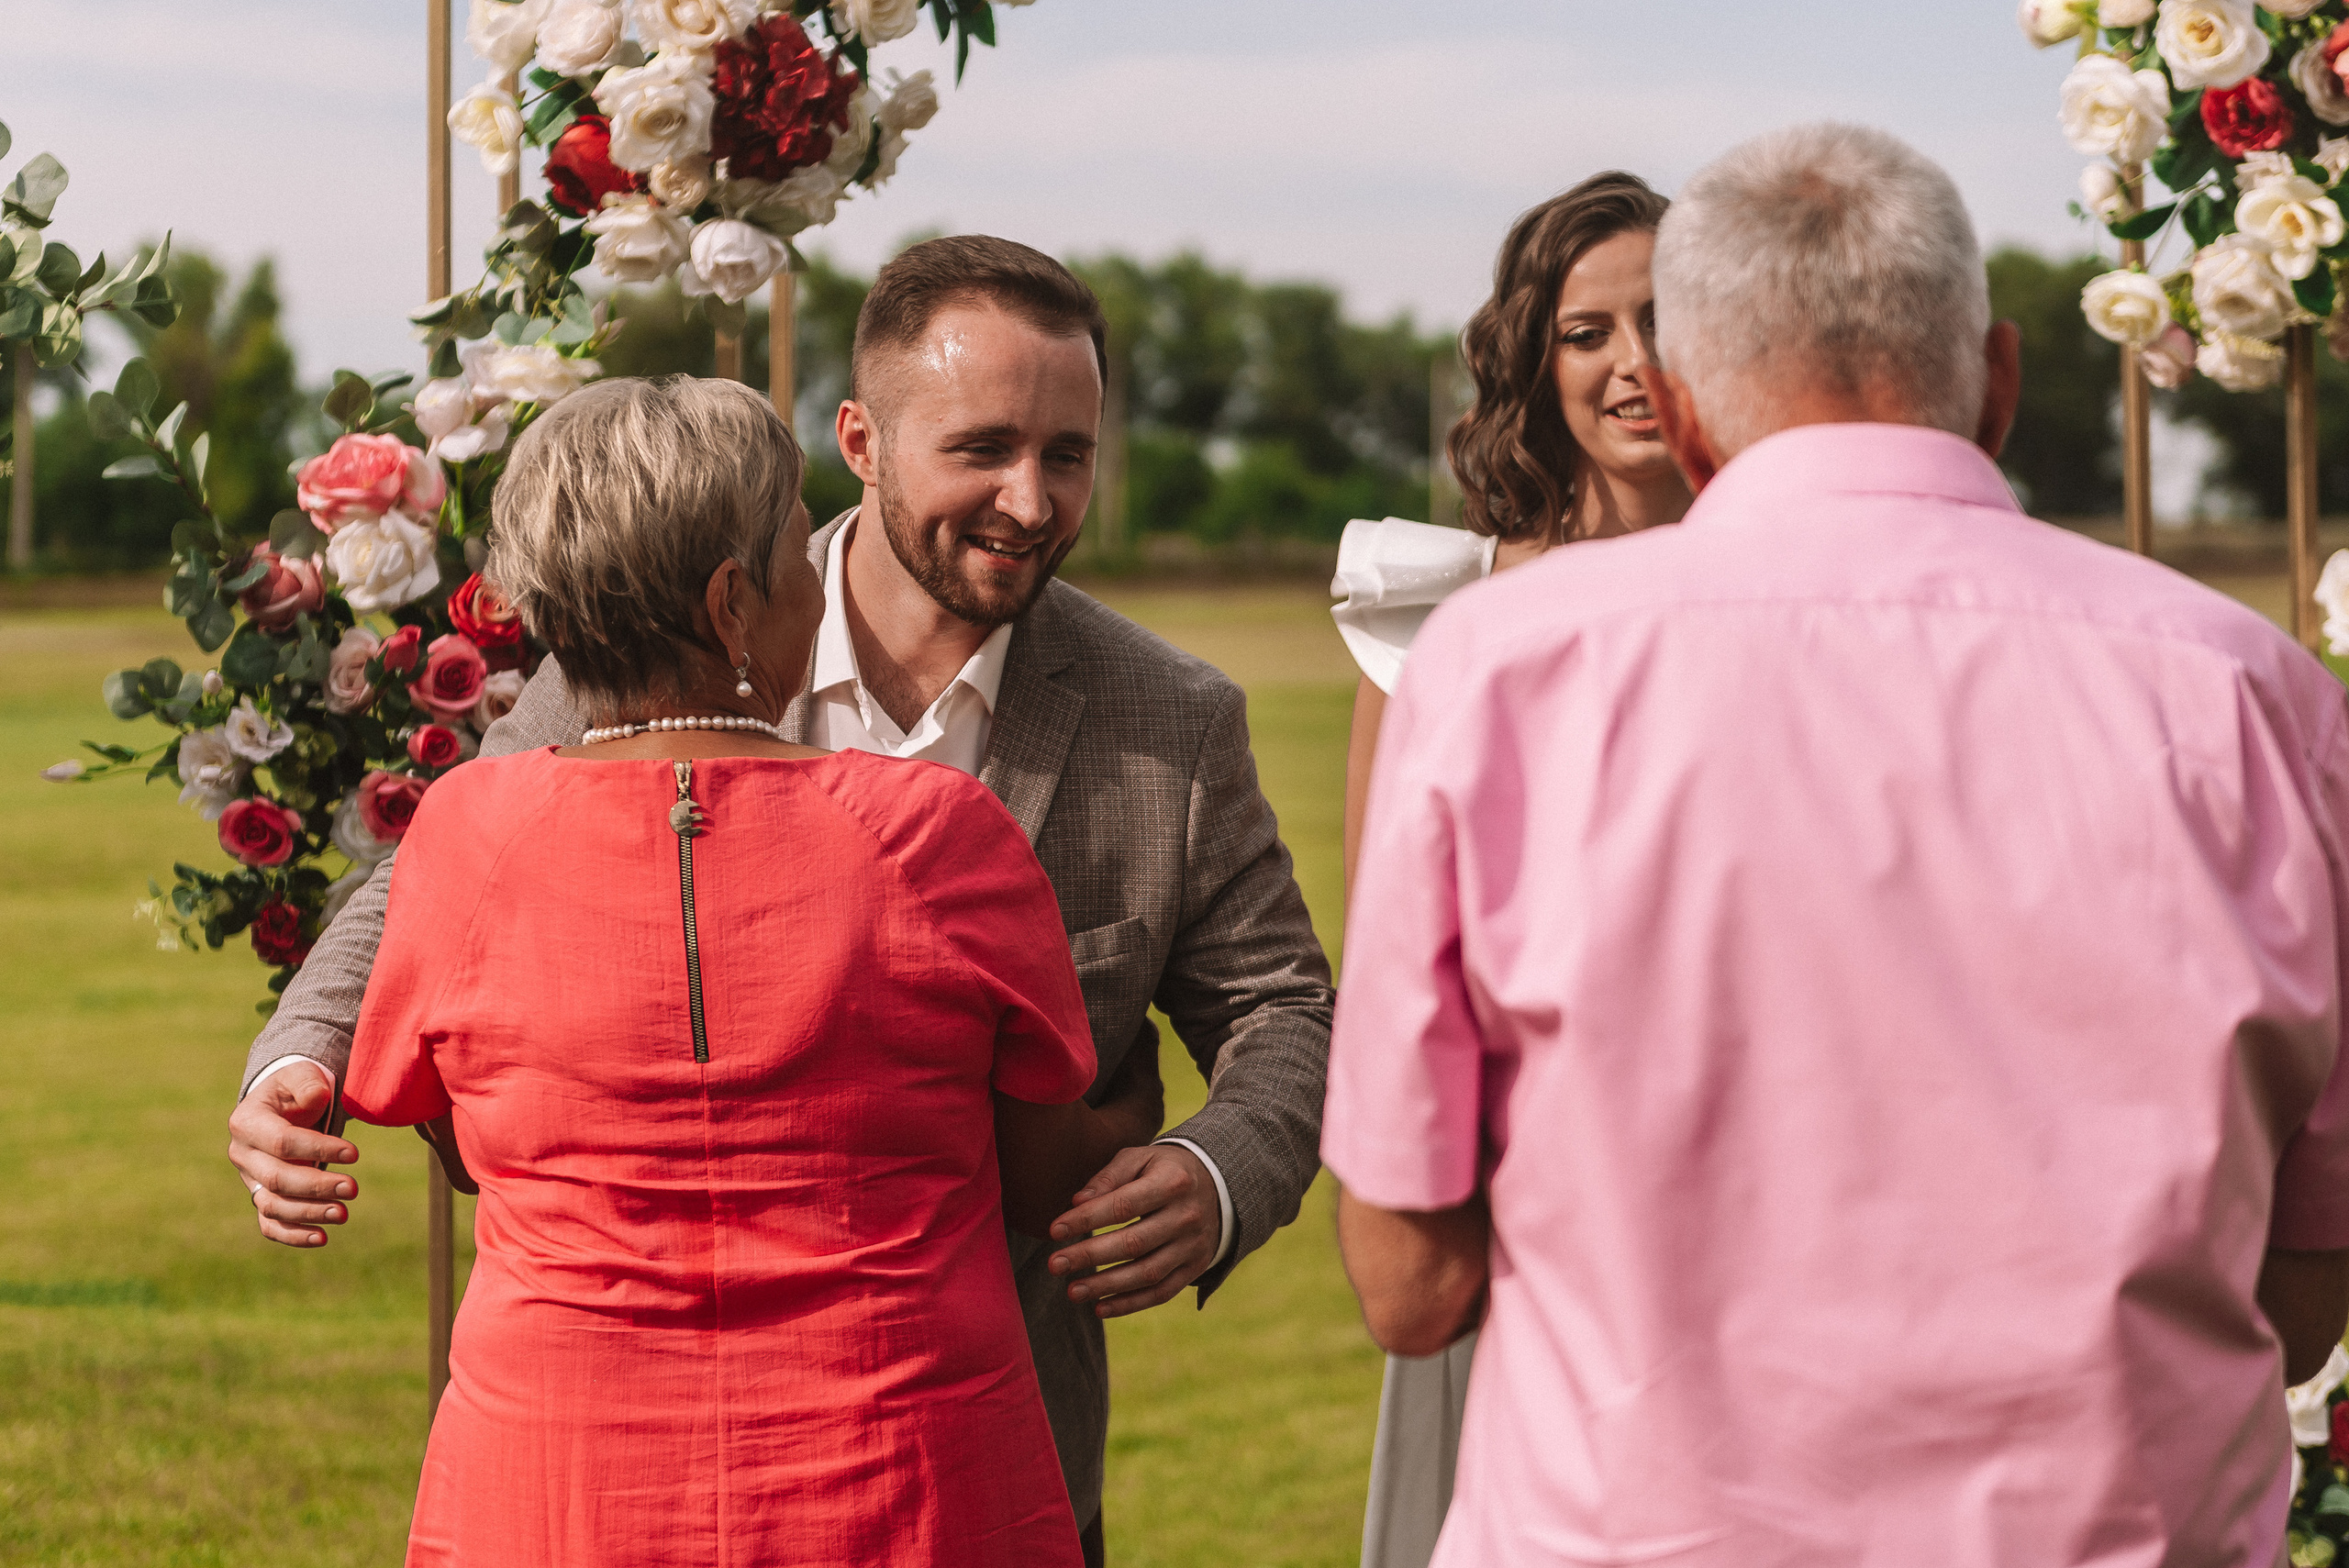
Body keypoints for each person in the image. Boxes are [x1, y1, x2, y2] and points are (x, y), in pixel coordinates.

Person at [1325, 122, 2349, 1565]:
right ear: (1996, 383)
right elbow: (2302, 1298)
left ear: (1685, 417)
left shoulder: (1495, 677)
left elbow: (1409, 1280)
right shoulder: (2261, 701)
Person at [228, 235, 1335, 1566]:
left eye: (1071, 454)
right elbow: (424, 884)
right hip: (623, 1458)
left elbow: (1285, 1011)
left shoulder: (1173, 718)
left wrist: (1218, 1172)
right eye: (984, 448)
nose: (1032, 501)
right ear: (858, 440)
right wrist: (295, 1059)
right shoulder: (639, 648)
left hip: (980, 1455)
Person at [340, 375, 1146, 1565]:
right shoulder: (938, 831)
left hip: (561, 1491)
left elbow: (461, 1145)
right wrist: (1140, 1099)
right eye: (793, 548)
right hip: (898, 1490)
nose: (820, 579)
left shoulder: (466, 833)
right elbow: (1039, 1178)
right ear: (733, 604)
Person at [1328, 171, 1691, 1568]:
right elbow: (1382, 989)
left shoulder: (1811, 594)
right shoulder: (1438, 618)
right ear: (1538, 361)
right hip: (1514, 1217)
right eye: (1588, 331)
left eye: (1661, 319)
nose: (1631, 363)